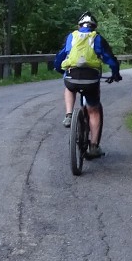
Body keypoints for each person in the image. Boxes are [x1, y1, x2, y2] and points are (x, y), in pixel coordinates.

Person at [54, 13, 121, 158]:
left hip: (72, 75)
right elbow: (110, 59)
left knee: (69, 86)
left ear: (79, 26)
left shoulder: (72, 37)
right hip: (91, 79)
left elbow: (61, 55)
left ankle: (69, 114)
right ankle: (93, 147)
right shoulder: (97, 38)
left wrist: (60, 69)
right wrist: (115, 74)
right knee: (94, 110)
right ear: (94, 27)